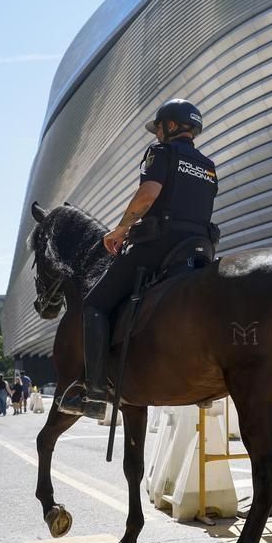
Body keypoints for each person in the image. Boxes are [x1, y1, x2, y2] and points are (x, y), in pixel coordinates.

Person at [59, 99, 219, 420]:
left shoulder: (161, 153)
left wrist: (120, 229)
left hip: (159, 245)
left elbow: (148, 194)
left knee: (94, 305)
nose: (157, 133)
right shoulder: (207, 165)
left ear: (170, 126)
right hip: (199, 250)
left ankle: (95, 393)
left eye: (159, 127)